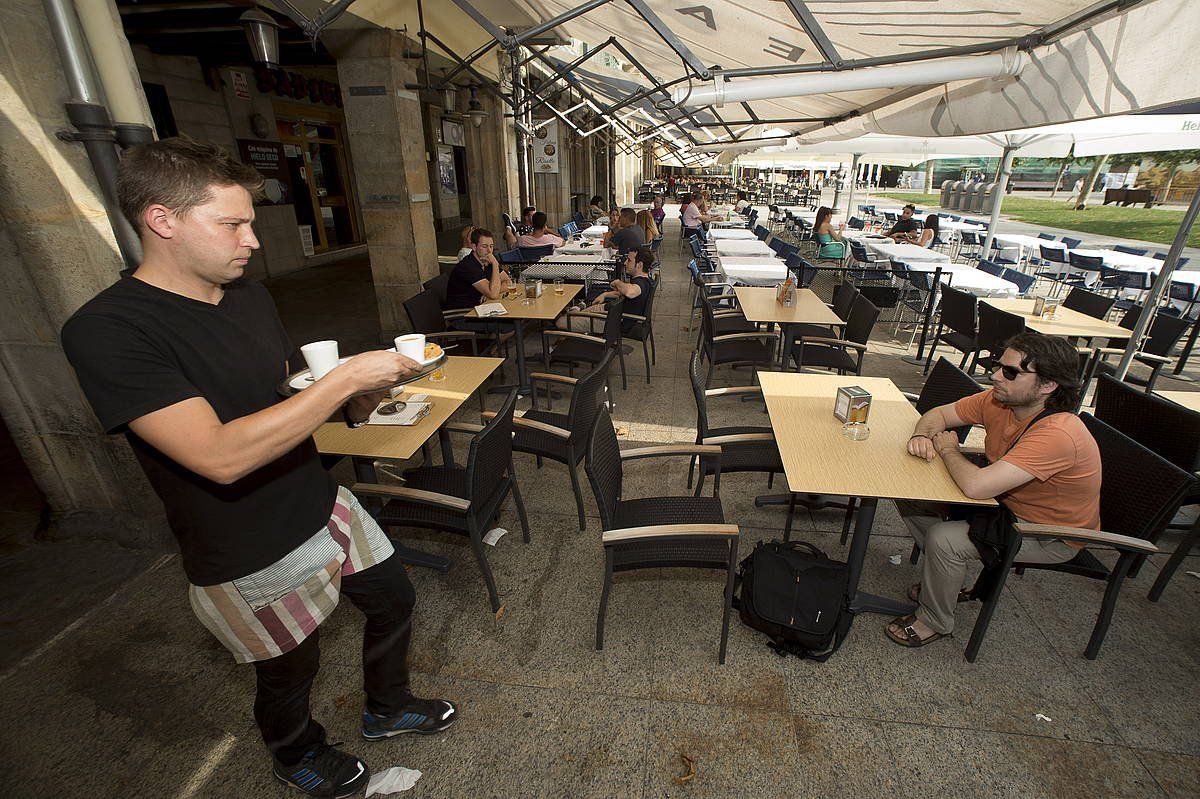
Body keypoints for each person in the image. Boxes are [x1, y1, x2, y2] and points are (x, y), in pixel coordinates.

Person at [59, 137, 457, 797]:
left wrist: (355, 399)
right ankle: (295, 751)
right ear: (163, 221)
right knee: (288, 670)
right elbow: (216, 454)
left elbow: (281, 396)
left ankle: (387, 707)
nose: (252, 239)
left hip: (319, 497)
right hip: (242, 542)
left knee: (394, 598)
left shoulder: (245, 295)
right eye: (232, 223)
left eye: (250, 221)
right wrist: (346, 376)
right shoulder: (108, 329)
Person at [888, 333, 1099, 648]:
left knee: (944, 540)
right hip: (1001, 503)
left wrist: (949, 449)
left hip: (1046, 534)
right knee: (908, 493)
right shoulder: (1001, 399)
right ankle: (945, 575)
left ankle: (934, 620)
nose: (995, 375)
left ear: (1048, 385)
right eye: (998, 366)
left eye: (1011, 372)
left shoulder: (1058, 434)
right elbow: (939, 414)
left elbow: (975, 486)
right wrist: (922, 434)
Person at [559, 247, 654, 335]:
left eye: (629, 260)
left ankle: (571, 317)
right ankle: (576, 310)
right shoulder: (646, 280)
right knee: (573, 314)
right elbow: (626, 293)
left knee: (560, 322)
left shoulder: (641, 284)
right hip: (608, 311)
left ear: (639, 265)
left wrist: (617, 282)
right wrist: (605, 294)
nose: (625, 263)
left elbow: (630, 292)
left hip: (609, 321)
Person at [446, 227, 511, 309]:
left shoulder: (487, 260)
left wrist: (494, 292)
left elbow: (508, 282)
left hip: (482, 307)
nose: (489, 251)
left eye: (491, 246)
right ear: (474, 247)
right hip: (464, 314)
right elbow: (493, 294)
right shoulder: (467, 266)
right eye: (484, 246)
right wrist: (495, 264)